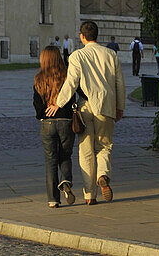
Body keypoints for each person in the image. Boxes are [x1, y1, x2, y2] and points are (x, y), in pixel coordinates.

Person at [49, 19, 125, 205]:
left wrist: (59, 103)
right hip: (106, 106)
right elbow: (119, 84)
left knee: (85, 151)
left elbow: (72, 82)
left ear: (82, 36)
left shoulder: (77, 56)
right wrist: (120, 107)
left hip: (85, 106)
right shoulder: (110, 54)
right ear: (97, 35)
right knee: (104, 146)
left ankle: (90, 195)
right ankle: (103, 175)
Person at [33, 44, 76, 208]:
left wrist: (43, 114)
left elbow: (36, 104)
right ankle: (66, 180)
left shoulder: (39, 78)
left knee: (50, 160)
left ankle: (53, 199)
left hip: (47, 123)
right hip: (65, 121)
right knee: (65, 155)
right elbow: (71, 99)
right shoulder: (66, 76)